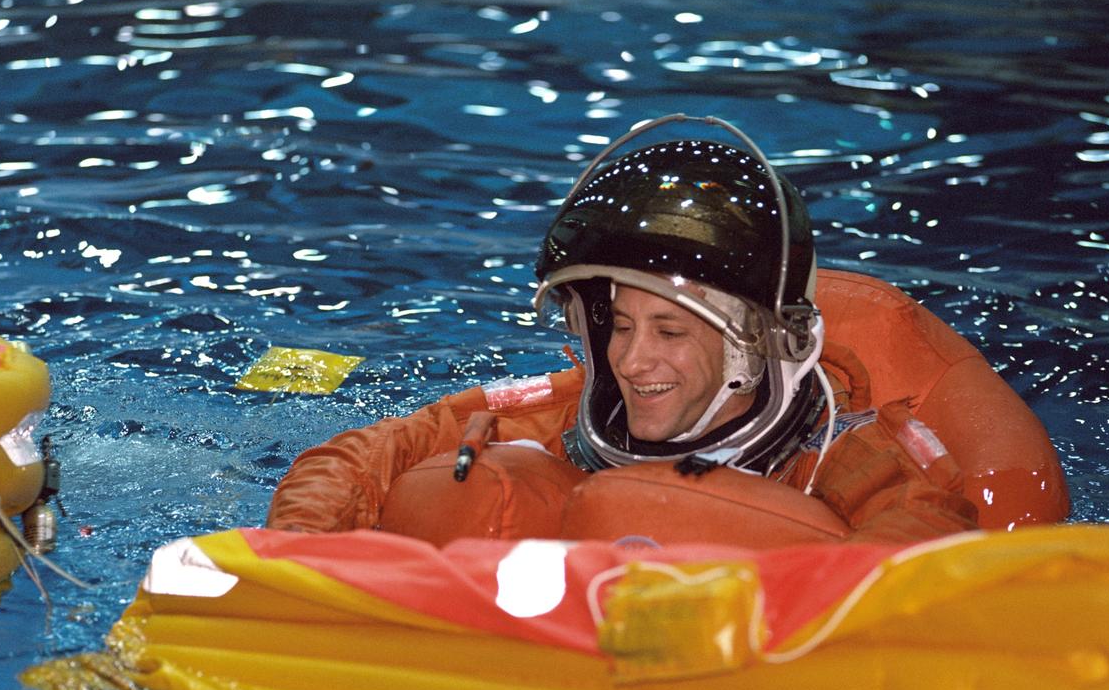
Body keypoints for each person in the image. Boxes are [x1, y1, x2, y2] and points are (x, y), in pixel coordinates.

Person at [266, 115, 976, 545]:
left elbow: (923, 537)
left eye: (670, 331)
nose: (634, 362)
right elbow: (373, 451)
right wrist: (297, 553)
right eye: (621, 325)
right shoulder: (573, 412)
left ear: (755, 343)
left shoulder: (841, 455)